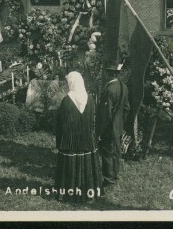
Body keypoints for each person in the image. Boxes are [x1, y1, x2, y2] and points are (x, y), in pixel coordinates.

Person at [55, 71, 103, 202]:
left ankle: (69, 192)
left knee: (70, 165)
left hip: (69, 140)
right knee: (86, 165)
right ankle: (88, 192)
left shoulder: (66, 101)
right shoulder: (90, 99)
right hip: (86, 138)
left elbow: (60, 123)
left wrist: (59, 141)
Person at [96, 61, 129, 187]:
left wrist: (99, 131)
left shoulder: (109, 89)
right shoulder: (123, 86)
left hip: (109, 128)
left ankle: (109, 180)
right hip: (118, 127)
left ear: (108, 73)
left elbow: (105, 114)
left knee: (108, 153)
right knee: (116, 152)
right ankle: (115, 175)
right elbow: (126, 108)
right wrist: (120, 122)